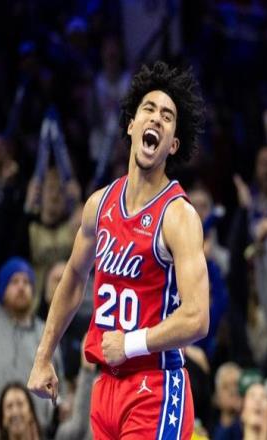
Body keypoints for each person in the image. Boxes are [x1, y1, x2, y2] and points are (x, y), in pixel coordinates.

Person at [28, 61, 209, 438]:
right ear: (130, 124)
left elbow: (197, 318)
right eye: (149, 109)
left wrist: (131, 343)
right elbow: (73, 278)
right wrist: (43, 356)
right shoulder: (99, 205)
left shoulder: (178, 216)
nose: (156, 118)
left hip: (155, 386)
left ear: (173, 144)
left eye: (167, 117)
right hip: (106, 387)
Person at [0, 150, 64, 440]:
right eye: (14, 282)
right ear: (1, 291)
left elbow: (59, 390)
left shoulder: (47, 332)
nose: (22, 286)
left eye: (26, 282)